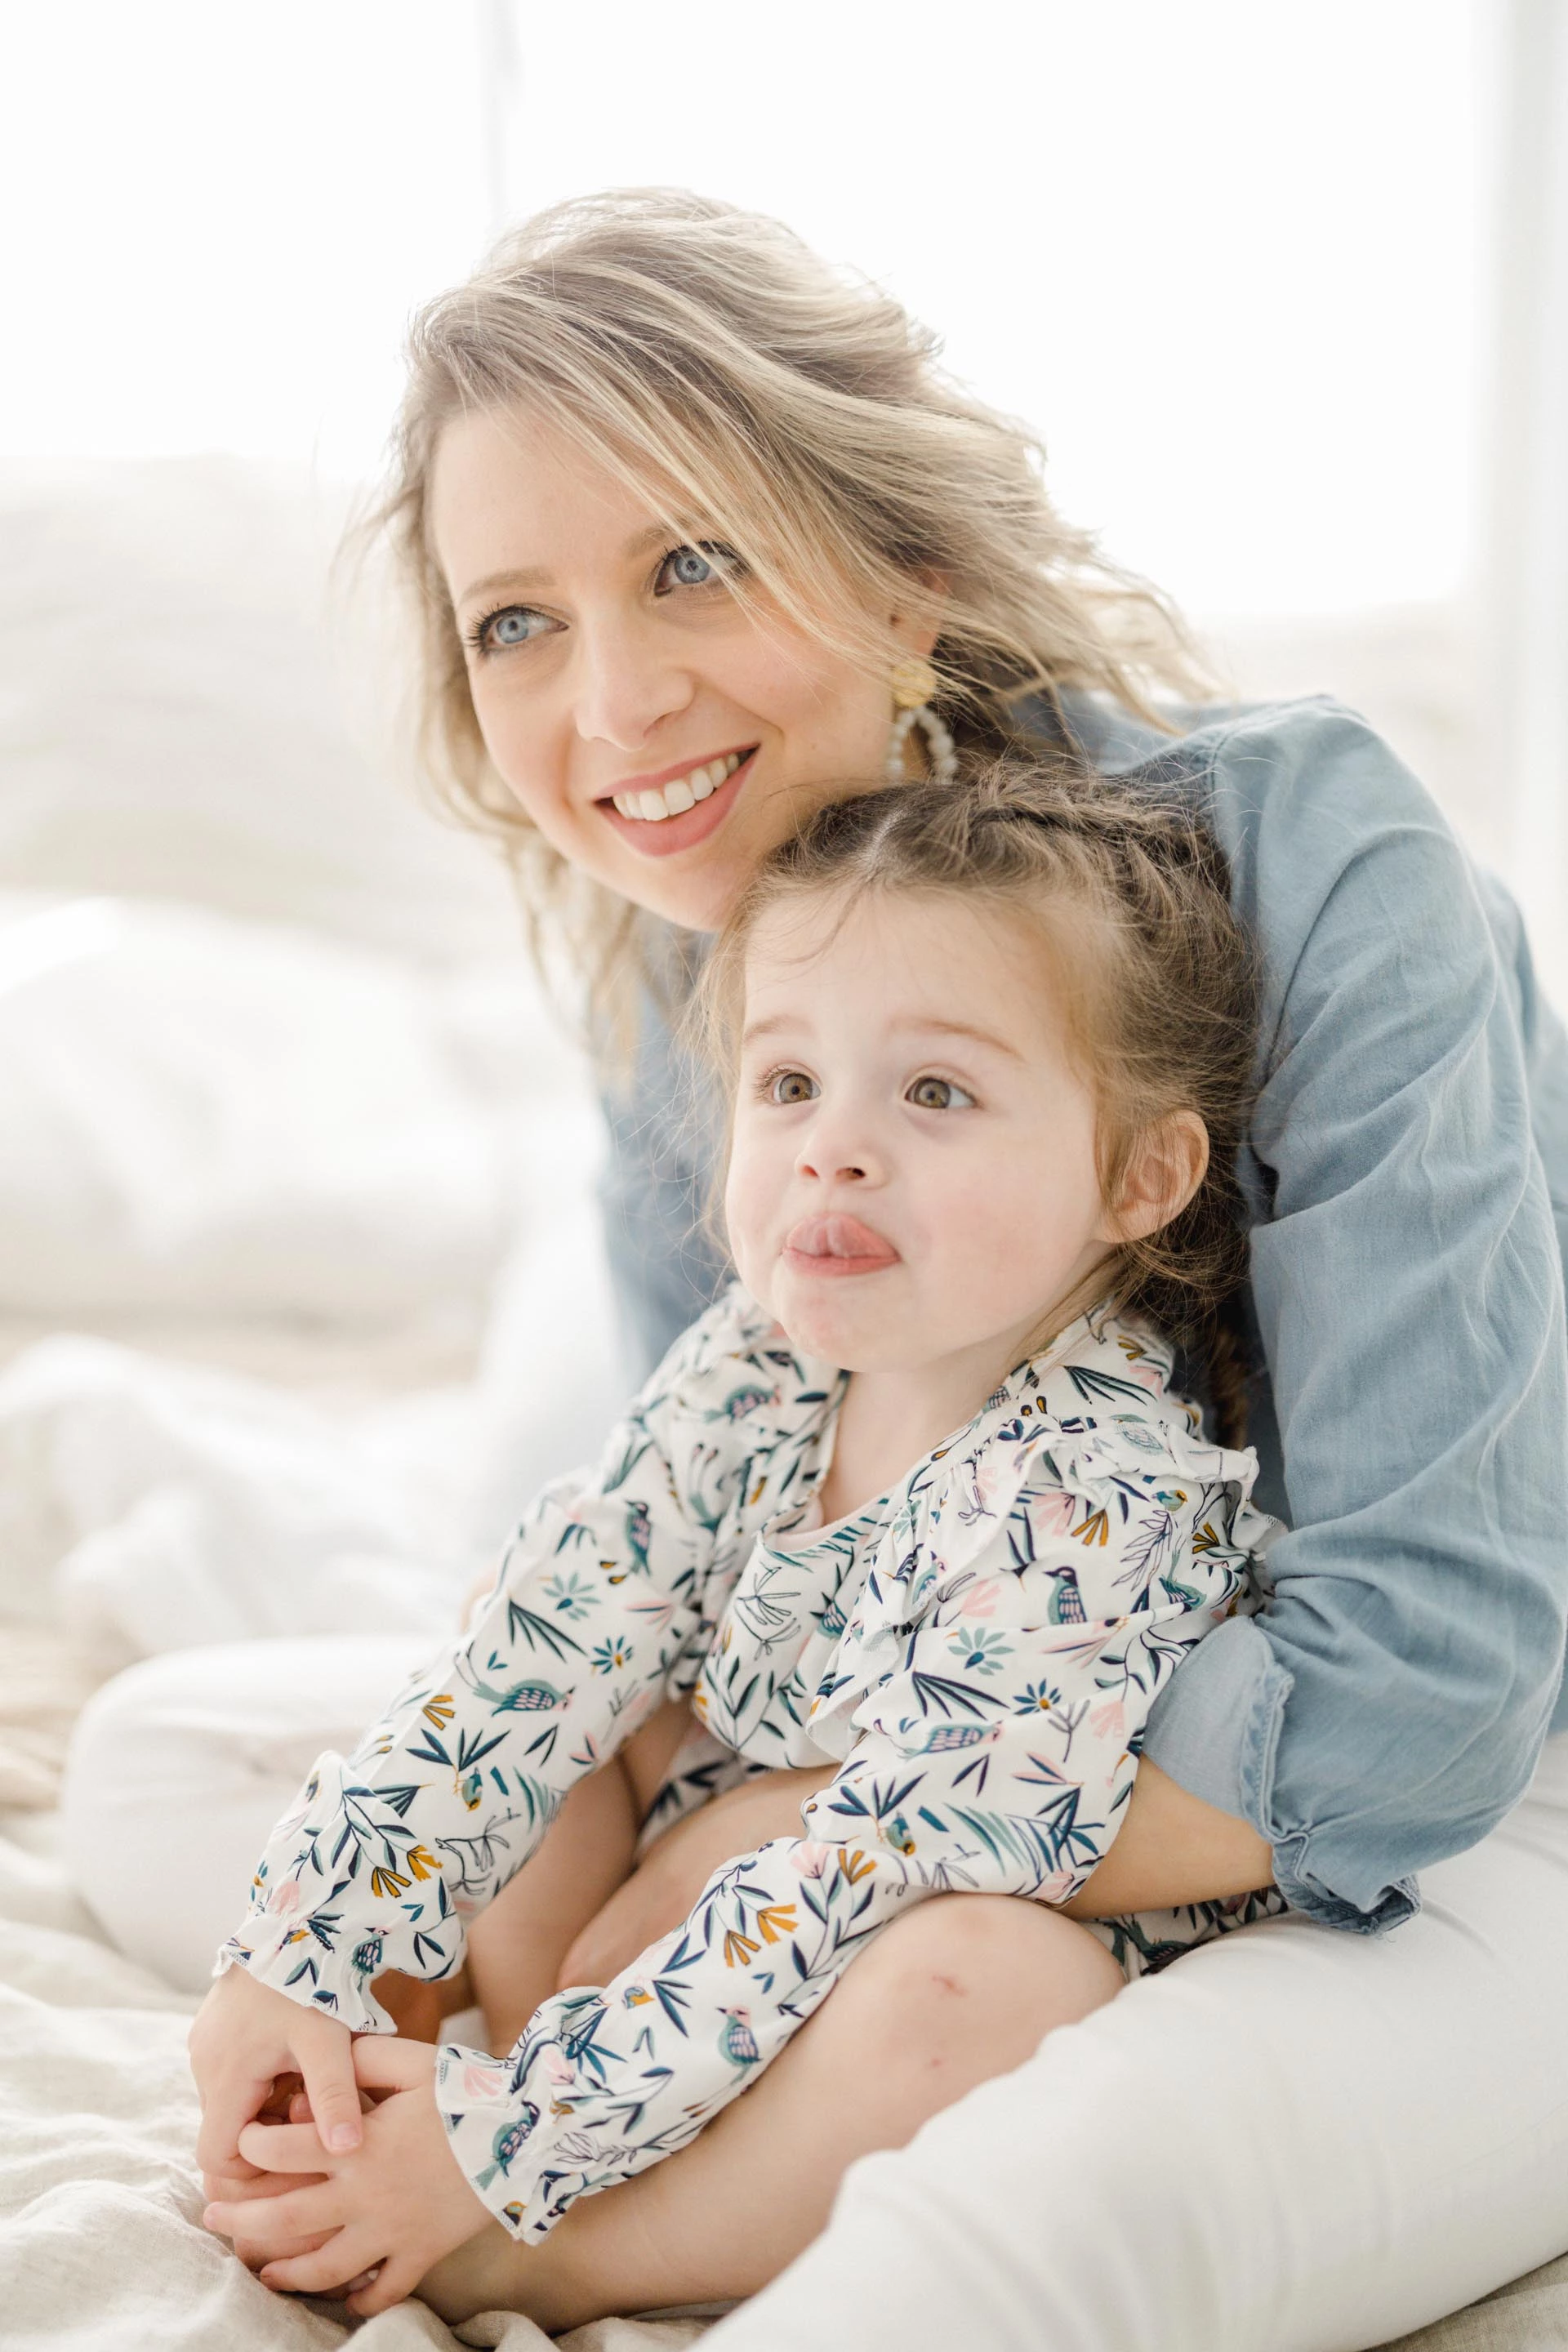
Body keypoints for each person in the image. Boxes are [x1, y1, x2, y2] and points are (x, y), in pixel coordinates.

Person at [62, 189, 1568, 2350]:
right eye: (514, 623)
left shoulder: (1311, 858)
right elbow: (682, 1584)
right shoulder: (688, 984)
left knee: (1010, 2227)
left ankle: (545, 2235)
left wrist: (712, 1930)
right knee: (162, 1778)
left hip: (1413, 1792)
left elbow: (1408, 1717)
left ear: (903, 564)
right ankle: (607, 2099)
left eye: (693, 559)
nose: (615, 701)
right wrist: (360, 1921)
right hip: (911, 1761)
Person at [195, 764, 1281, 2314]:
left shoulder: (1094, 1489)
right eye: (787, 1085)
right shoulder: (761, 1360)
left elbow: (865, 1874)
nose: (834, 1149)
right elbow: (549, 1639)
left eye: (936, 1092)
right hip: (691, 1903)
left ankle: (559, 2245)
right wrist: (300, 1939)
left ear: (1138, 1176)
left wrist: (513, 2145)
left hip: (868, 1942)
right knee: (552, 1674)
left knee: (983, 1993)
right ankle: (426, 2051)